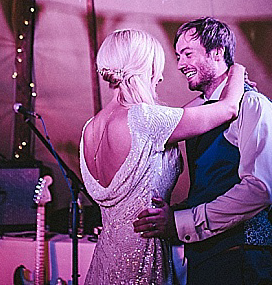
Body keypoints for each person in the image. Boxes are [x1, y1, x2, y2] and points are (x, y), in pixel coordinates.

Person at [78, 28, 247, 285]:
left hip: (105, 260)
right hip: (142, 259)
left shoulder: (90, 127)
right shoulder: (145, 119)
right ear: (144, 67)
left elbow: (180, 116)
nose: (159, 77)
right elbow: (228, 109)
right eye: (157, 67)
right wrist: (236, 71)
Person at [134, 17, 272, 285]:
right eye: (179, 55)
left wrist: (181, 222)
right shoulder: (202, 113)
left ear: (217, 53)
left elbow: (259, 189)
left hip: (240, 260)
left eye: (188, 54)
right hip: (205, 260)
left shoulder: (253, 105)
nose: (180, 65)